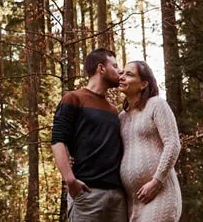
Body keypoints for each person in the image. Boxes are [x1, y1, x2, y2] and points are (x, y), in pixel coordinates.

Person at [51, 48, 128, 222]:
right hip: (87, 193)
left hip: (118, 197)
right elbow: (58, 140)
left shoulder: (113, 110)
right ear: (101, 68)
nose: (120, 71)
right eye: (115, 66)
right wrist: (70, 180)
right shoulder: (73, 99)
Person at [118, 60, 182, 222]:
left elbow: (173, 144)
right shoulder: (122, 117)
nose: (122, 77)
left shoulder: (156, 105)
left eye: (129, 74)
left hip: (160, 192)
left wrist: (156, 181)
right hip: (133, 201)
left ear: (143, 84)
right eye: (122, 73)